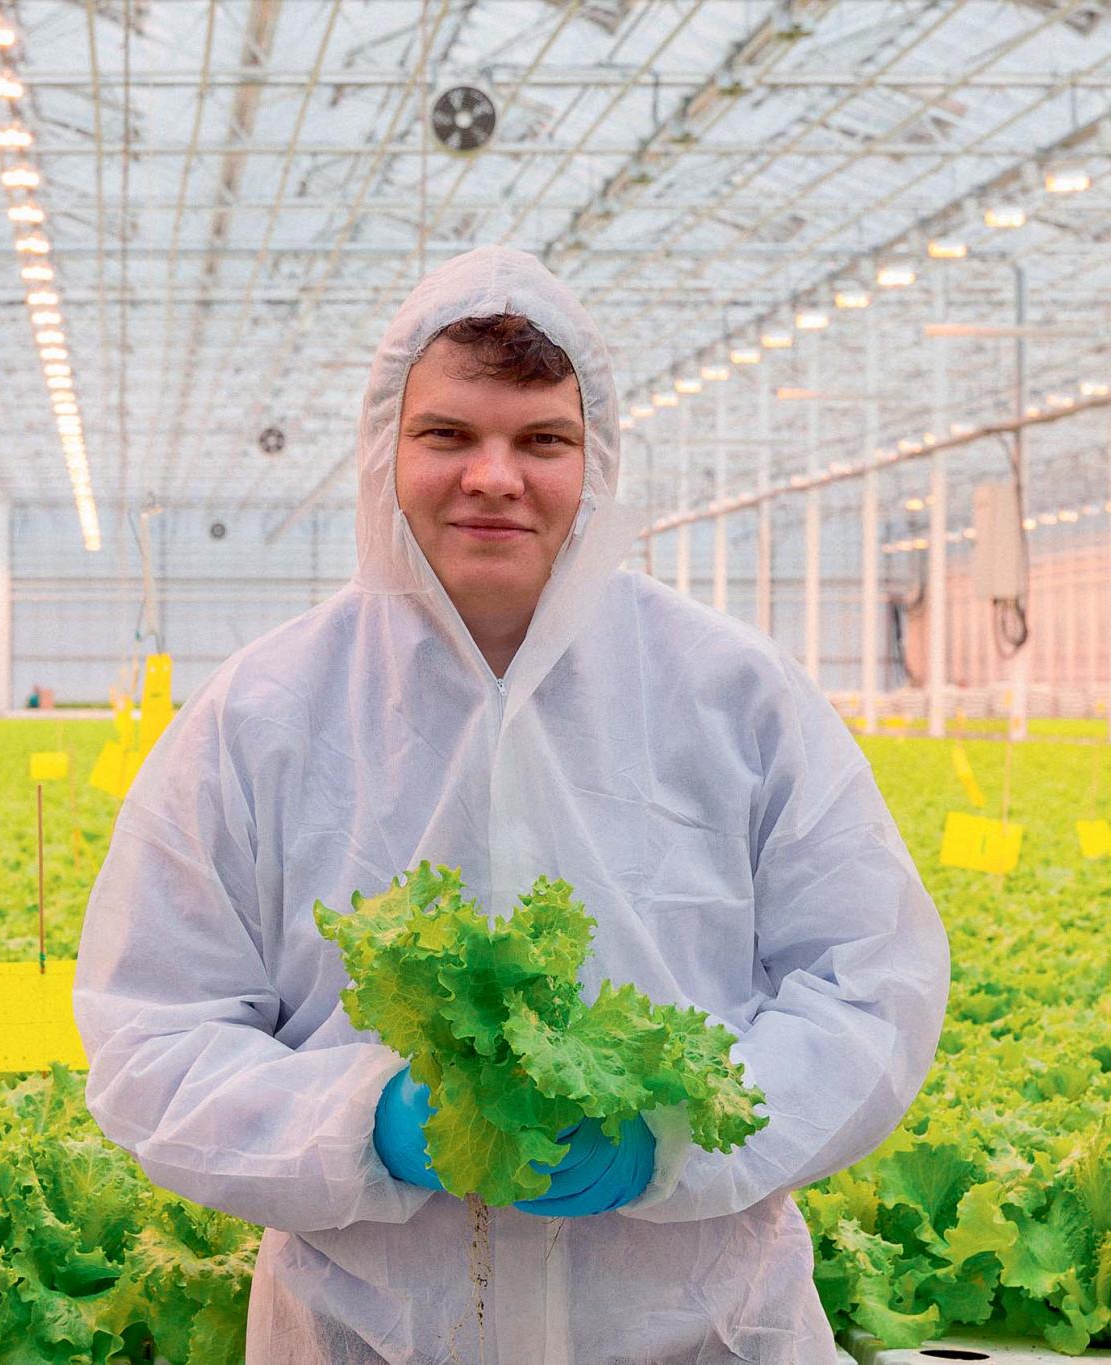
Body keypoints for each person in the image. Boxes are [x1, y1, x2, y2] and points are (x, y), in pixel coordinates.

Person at [73, 247, 949, 1364]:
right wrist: (363, 1123)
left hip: (702, 1333)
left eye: (542, 440)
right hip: (365, 1335)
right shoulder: (262, 711)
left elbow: (867, 988)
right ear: (383, 452)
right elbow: (154, 1033)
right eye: (447, 435)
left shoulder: (734, 693)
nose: (494, 476)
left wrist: (672, 1138)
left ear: (597, 462)